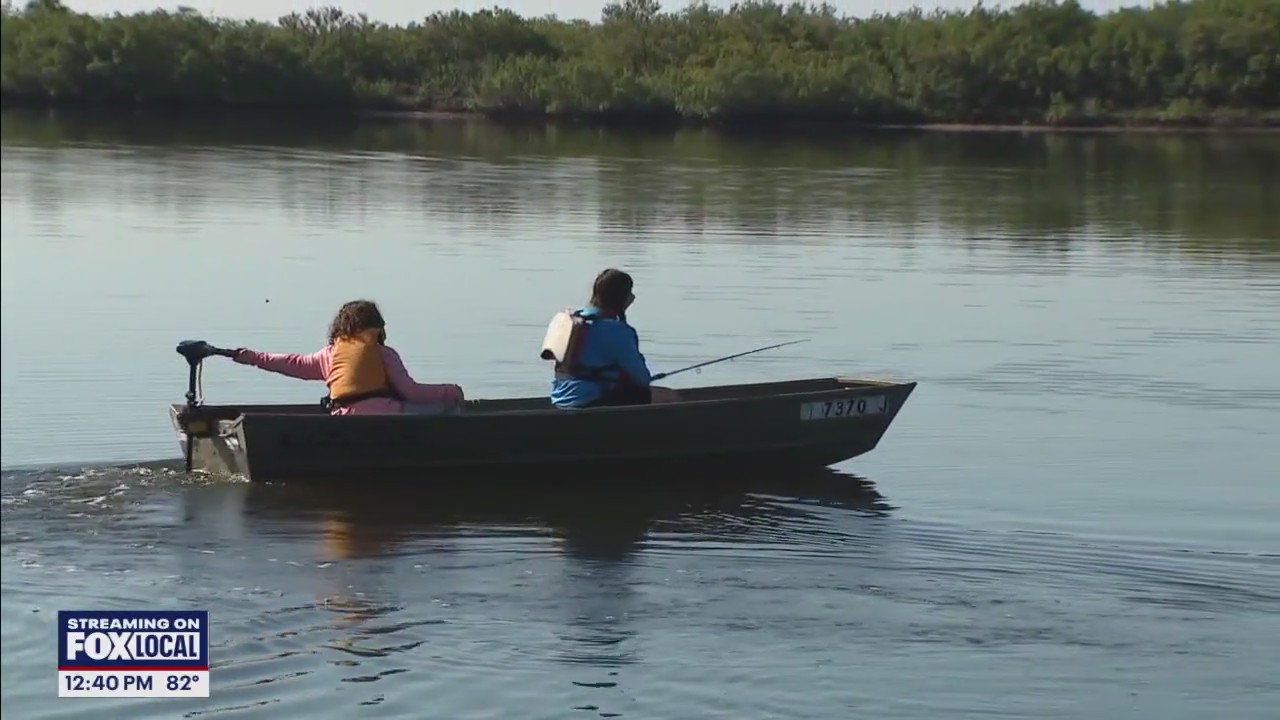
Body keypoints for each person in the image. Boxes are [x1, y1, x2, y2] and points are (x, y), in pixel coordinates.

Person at [230, 299, 465, 415]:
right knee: (446, 409)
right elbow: (411, 392)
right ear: (377, 328)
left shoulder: (329, 355)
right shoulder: (384, 354)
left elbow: (291, 363)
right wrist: (449, 392)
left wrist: (252, 357)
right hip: (387, 416)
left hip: (343, 417)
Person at [546, 269, 677, 409]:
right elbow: (642, 379)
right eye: (630, 293)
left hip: (560, 400)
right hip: (591, 403)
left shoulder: (570, 321)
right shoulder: (617, 331)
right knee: (668, 397)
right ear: (623, 297)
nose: (633, 297)